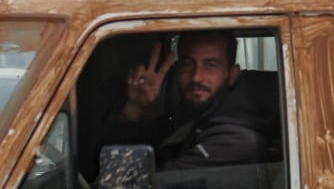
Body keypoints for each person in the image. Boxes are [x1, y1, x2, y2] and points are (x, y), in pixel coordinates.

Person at [98, 30, 278, 170]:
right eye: (188, 63)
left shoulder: (236, 140)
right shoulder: (188, 115)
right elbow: (112, 159)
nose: (196, 77)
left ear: (232, 74)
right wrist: (135, 108)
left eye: (211, 65)